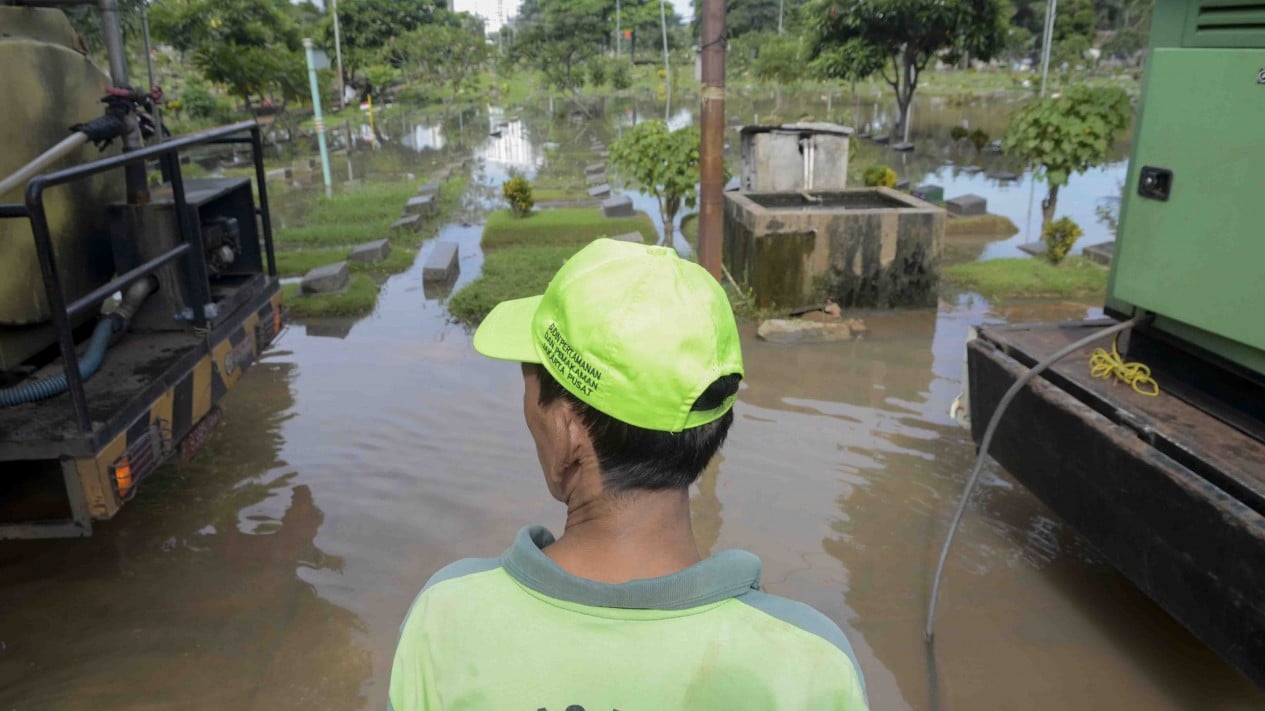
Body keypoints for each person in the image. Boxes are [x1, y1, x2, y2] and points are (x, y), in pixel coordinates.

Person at [389, 239, 868, 710]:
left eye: (529, 384)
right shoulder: (813, 669)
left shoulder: (446, 622)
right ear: (713, 423)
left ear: (566, 432)